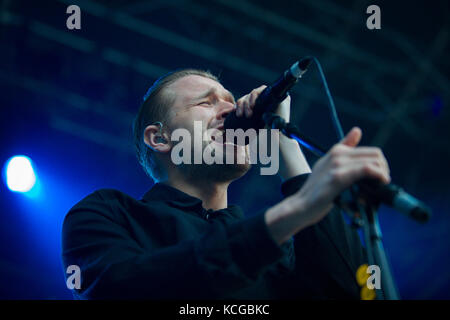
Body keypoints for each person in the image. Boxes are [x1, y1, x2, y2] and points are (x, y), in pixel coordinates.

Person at [61, 69, 391, 299]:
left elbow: (352, 291)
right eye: (207, 103)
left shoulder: (280, 249)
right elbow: (127, 290)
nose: (230, 110)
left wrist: (282, 141)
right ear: (159, 137)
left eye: (230, 101)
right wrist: (294, 212)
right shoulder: (107, 214)